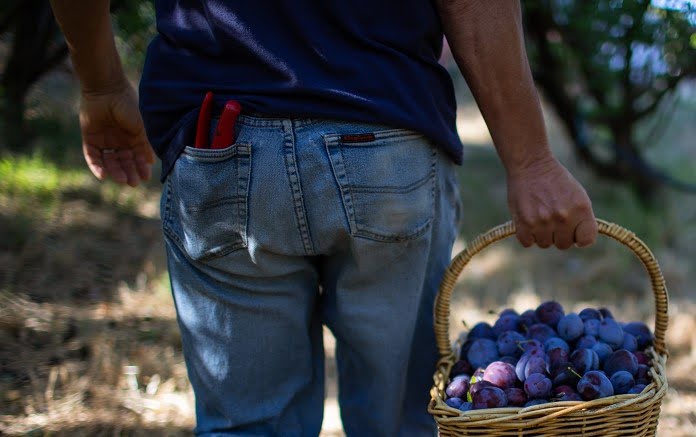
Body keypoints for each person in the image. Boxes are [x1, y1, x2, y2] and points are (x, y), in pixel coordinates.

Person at [50, 1, 598, 435]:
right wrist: (529, 160)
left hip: (219, 137)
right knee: (403, 421)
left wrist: (100, 85)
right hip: (385, 139)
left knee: (249, 426)